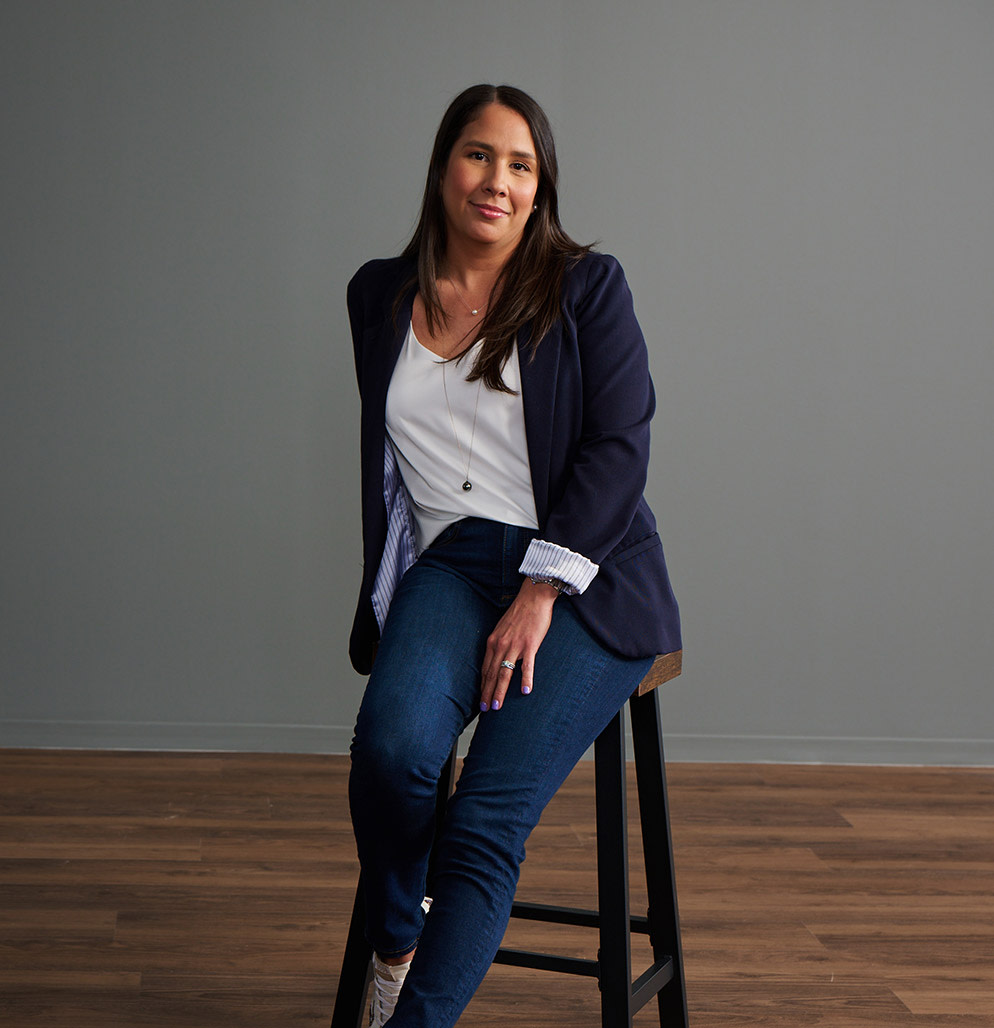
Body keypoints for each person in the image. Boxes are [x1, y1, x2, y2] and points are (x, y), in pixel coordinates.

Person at [345, 84, 681, 1027]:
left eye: (521, 165)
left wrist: (542, 584)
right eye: (480, 155)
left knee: (486, 819)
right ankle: (397, 938)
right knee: (392, 755)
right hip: (453, 567)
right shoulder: (378, 295)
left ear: (541, 190)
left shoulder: (585, 287)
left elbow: (623, 442)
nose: (498, 180)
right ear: (443, 167)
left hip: (585, 575)